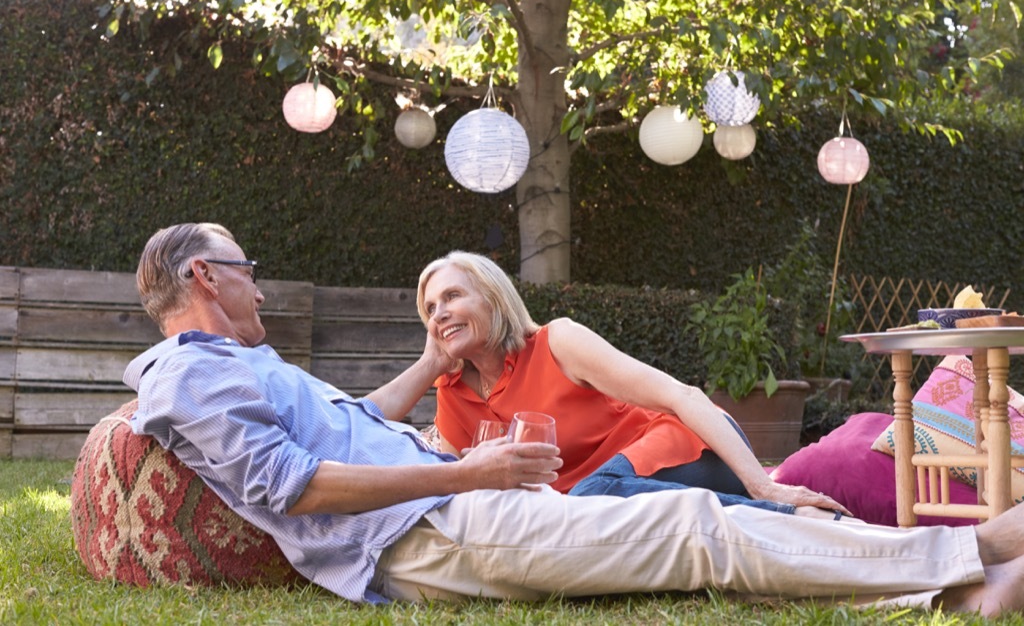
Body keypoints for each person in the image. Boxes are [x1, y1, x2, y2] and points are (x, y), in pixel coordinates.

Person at [126, 222, 1024, 615]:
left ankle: (955, 571)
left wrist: (435, 392)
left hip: (465, 508)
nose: (259, 282)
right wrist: (464, 472)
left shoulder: (244, 367)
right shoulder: (190, 377)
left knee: (694, 523)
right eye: (245, 267)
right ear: (206, 277)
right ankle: (970, 560)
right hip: (428, 531)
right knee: (695, 534)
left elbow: (353, 422)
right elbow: (296, 487)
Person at [416, 251, 840, 516]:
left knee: (593, 491)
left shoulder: (556, 342)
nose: (439, 314)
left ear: (492, 298)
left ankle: (779, 514)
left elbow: (682, 396)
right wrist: (428, 365)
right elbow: (460, 487)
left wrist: (764, 485)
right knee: (585, 500)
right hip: (597, 503)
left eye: (452, 297)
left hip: (693, 444)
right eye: (431, 307)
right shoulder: (452, 395)